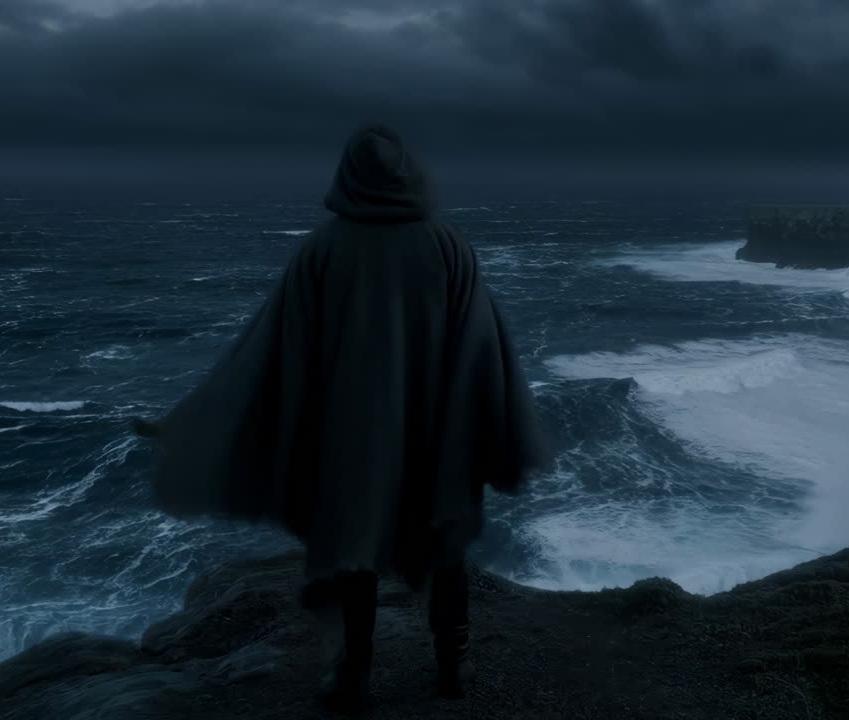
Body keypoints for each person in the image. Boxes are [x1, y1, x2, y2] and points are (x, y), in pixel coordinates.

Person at [133, 123, 551, 712]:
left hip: (347, 442)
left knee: (350, 552)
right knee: (444, 546)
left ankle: (350, 676)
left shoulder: (324, 248)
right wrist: (494, 425)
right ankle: (451, 665)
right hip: (437, 436)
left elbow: (268, 352)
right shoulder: (446, 244)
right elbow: (482, 346)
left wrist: (194, 423)